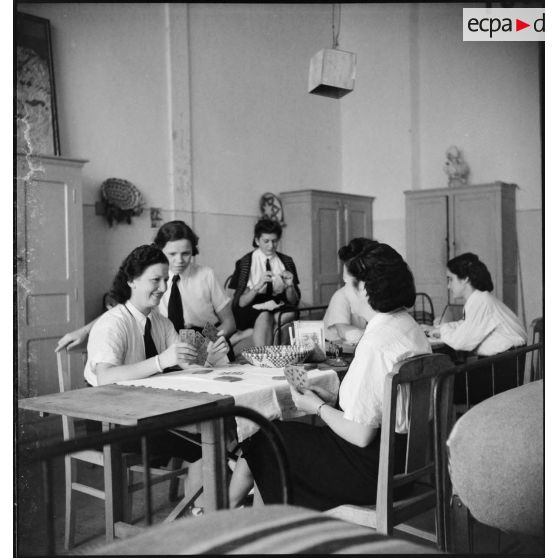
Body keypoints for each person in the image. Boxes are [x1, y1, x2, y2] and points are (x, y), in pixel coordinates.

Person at [229, 240, 431, 510]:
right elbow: (384, 405)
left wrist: (318, 407)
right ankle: (243, 518)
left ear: (365, 288)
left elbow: (361, 435)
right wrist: (330, 400)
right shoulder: (408, 326)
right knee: (272, 438)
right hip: (405, 462)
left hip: (372, 472)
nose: (345, 290)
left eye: (348, 283)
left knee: (267, 436)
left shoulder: (376, 342)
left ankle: (242, 522)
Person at [84, 244, 229, 508]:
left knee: (217, 434)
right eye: (155, 280)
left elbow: (188, 363)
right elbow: (105, 377)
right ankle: (199, 515)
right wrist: (162, 361)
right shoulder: (112, 322)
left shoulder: (161, 322)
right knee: (205, 443)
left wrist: (210, 356)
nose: (163, 287)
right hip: (111, 419)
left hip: (146, 411)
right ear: (132, 282)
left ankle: (202, 512)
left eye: (166, 279)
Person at [56, 220, 236, 355]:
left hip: (206, 333)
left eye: (186, 253)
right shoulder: (152, 280)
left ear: (193, 252)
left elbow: (229, 322)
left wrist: (213, 340)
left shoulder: (206, 274)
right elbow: (124, 310)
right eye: (172, 254)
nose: (179, 260)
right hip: (167, 340)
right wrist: (85, 330)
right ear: (160, 251)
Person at [425, 252, 527, 403]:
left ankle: (452, 425)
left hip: (501, 375)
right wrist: (441, 329)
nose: (448, 285)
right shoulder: (481, 298)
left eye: (450, 279)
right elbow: (467, 325)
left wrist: (443, 331)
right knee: (445, 376)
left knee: (437, 385)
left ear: (465, 279)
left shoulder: (481, 301)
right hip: (504, 366)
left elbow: (462, 342)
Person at [228, 218, 300, 346]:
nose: (271, 246)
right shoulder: (245, 263)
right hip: (251, 306)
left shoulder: (287, 261)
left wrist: (289, 286)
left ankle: (246, 334)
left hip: (278, 304)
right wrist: (257, 286)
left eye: (274, 241)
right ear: (257, 240)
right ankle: (265, 356)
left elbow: (293, 301)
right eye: (266, 241)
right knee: (266, 315)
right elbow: (241, 302)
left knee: (289, 314)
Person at [323, 238, 374, 344]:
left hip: (358, 344)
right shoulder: (341, 296)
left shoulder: (370, 292)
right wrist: (375, 334)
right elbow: (343, 332)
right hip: (335, 347)